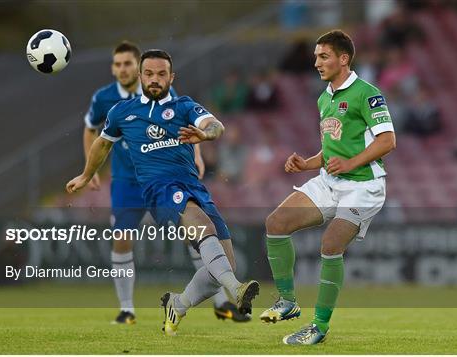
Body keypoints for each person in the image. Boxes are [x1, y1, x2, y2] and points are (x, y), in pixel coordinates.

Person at [68, 49, 259, 336]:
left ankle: (177, 304)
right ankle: (237, 289)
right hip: (159, 189)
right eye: (149, 74)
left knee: (224, 264)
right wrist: (86, 174)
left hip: (193, 186)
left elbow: (215, 125)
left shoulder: (184, 106)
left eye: (161, 74)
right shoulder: (123, 111)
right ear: (140, 75)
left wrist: (206, 135)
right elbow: (102, 143)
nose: (154, 79)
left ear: (171, 77)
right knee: (205, 233)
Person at [259, 30, 396, 345]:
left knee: (330, 244)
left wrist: (351, 164)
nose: (316, 62)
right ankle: (288, 301)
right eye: (316, 56)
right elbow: (333, 148)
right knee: (276, 223)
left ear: (343, 58)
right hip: (331, 181)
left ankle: (318, 327)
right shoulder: (325, 97)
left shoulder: (367, 93)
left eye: (324, 56)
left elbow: (388, 141)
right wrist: (308, 163)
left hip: (364, 185)